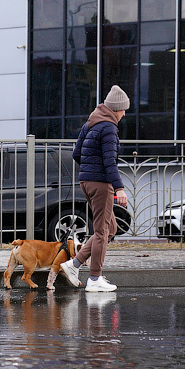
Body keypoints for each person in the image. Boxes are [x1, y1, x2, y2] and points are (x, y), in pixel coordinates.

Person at [60, 85, 130, 293]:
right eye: (123, 109)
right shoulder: (109, 127)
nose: (124, 114)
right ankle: (94, 278)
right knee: (101, 231)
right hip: (100, 184)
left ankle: (73, 265)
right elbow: (110, 162)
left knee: (111, 229)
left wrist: (90, 170)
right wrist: (119, 188)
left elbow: (76, 154)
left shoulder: (90, 123)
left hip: (86, 181)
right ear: (115, 108)